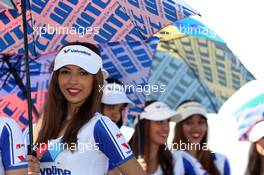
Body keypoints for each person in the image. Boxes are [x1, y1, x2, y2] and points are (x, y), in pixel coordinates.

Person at [27, 42, 145, 175]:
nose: (73, 80)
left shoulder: (100, 126)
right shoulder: (33, 131)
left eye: (83, 73)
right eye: (65, 72)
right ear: (56, 77)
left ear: (96, 80)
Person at [129, 101, 206, 175]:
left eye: (168, 121)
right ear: (143, 126)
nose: (166, 128)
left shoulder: (178, 160)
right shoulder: (121, 159)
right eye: (160, 121)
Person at [173, 100, 231, 175]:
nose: (196, 128)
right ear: (179, 126)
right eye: (189, 122)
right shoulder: (173, 160)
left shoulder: (221, 161)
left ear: (206, 126)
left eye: (201, 122)